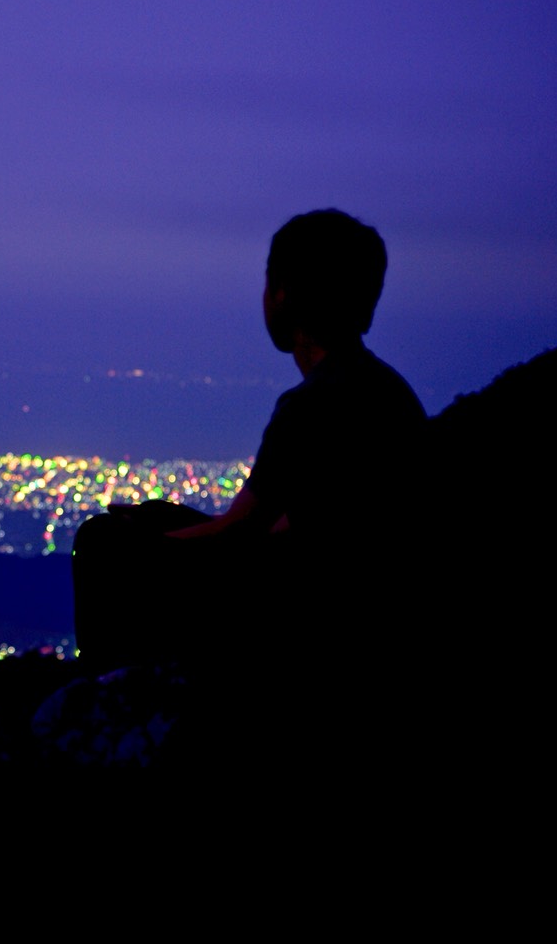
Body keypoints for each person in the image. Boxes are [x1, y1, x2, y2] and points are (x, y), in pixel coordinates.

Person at [71, 208, 427, 672]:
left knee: (102, 541)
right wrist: (162, 523)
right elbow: (313, 520)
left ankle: (108, 694)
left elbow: (242, 533)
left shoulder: (312, 403)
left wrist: (147, 547)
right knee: (155, 517)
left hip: (311, 611)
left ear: (283, 295)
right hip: (369, 601)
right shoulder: (387, 390)